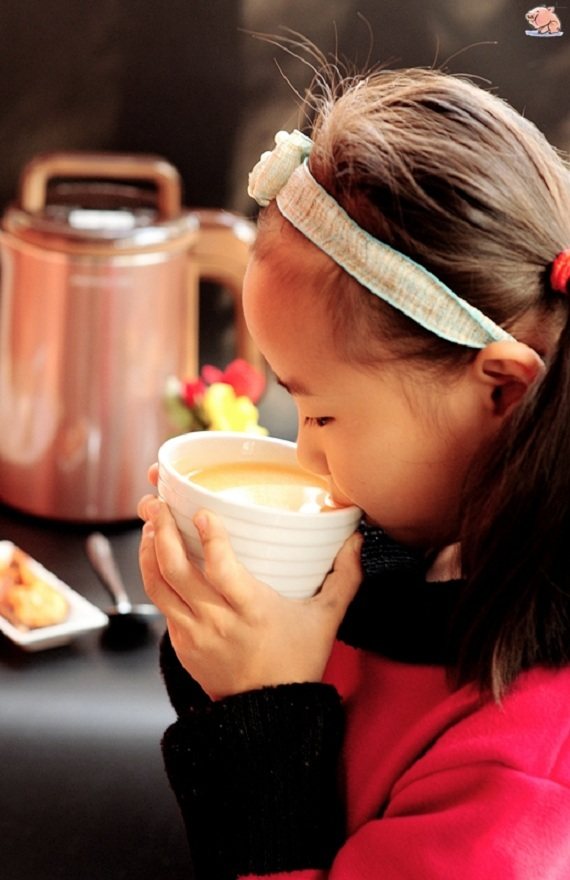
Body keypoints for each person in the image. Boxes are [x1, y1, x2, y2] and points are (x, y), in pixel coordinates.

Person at [137, 65, 570, 879]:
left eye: (322, 414)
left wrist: (262, 717)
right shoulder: (417, 541)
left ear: (503, 390)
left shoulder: (521, 772)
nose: (305, 455)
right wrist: (226, 649)